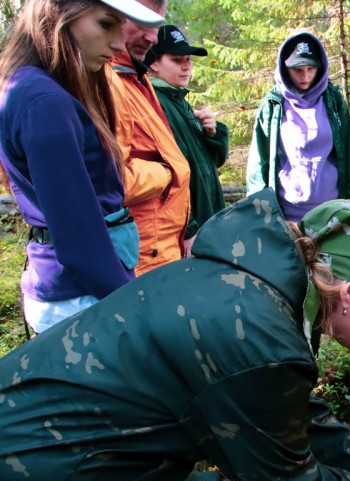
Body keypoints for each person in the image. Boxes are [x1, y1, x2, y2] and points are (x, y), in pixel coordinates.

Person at [0, 188, 350, 481]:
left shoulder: (257, 283)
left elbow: (287, 412)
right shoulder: (259, 337)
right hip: (38, 477)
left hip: (59, 441)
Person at [0, 0, 163, 333]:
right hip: (83, 299)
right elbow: (80, 241)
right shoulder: (47, 105)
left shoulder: (30, 87)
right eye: (107, 24)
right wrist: (136, 311)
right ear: (60, 14)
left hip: (73, 290)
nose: (119, 43)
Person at [108, 0, 191, 274]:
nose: (152, 37)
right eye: (142, 21)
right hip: (140, 260)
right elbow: (109, 181)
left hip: (161, 253)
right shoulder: (107, 81)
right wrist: (166, 173)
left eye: (156, 26)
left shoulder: (135, 78)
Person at [246, 31, 350, 221]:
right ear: (284, 68)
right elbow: (259, 163)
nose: (305, 76)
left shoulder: (333, 101)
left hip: (332, 213)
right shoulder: (273, 105)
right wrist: (258, 214)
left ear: (320, 67)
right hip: (286, 216)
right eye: (298, 70)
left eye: (311, 68)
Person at [145, 24, 229, 254]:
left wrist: (214, 134)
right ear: (153, 63)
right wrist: (188, 228)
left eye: (188, 60)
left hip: (207, 222)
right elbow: (169, 171)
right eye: (176, 60)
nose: (186, 67)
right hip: (188, 232)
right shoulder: (156, 103)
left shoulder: (179, 102)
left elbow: (212, 163)